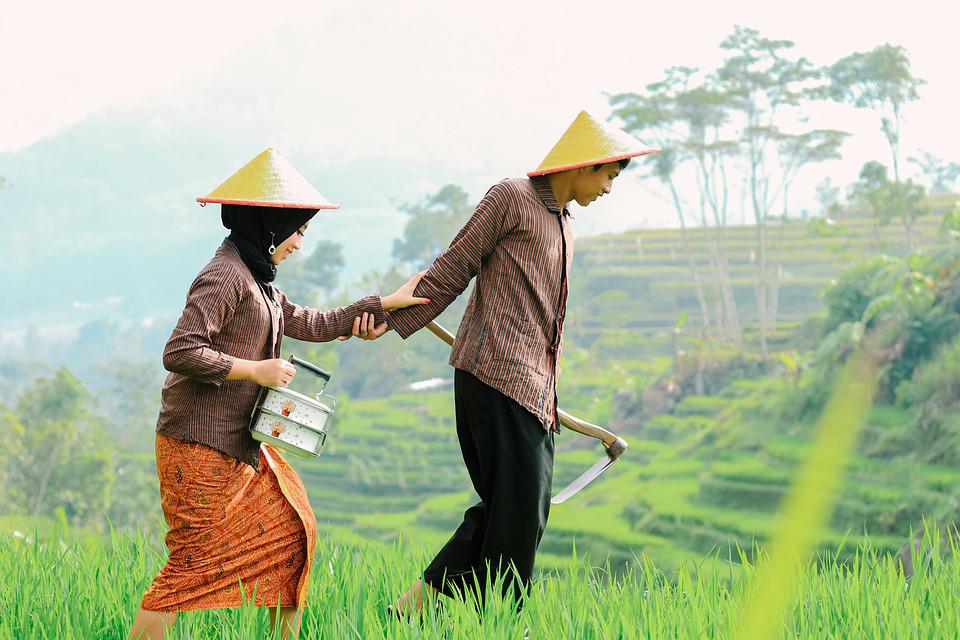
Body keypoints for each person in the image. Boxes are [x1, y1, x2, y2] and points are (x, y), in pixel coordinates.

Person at [128, 148, 428, 640]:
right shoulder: (224, 277)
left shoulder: (257, 278)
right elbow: (180, 351)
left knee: (294, 534)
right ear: (270, 226)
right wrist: (255, 370)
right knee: (186, 572)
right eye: (299, 232)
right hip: (198, 446)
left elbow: (306, 320)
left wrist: (381, 306)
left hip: (235, 442)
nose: (299, 244)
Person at [382, 112, 660, 613]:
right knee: (519, 515)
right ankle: (504, 622)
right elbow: (455, 265)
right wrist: (388, 317)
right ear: (585, 166)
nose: (610, 189)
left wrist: (548, 398)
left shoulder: (564, 223)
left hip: (533, 391)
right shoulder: (511, 197)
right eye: (609, 176)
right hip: (492, 378)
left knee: (512, 515)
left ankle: (412, 611)